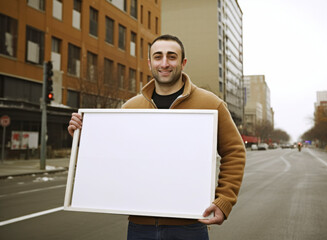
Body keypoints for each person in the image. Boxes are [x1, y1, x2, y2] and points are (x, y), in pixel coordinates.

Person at [68, 34, 246, 240]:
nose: (164, 63)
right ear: (150, 62)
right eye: (158, 56)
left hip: (190, 226)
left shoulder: (211, 104)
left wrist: (224, 200)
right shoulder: (130, 108)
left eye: (172, 57)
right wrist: (84, 138)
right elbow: (113, 159)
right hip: (139, 226)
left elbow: (234, 152)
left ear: (183, 62)